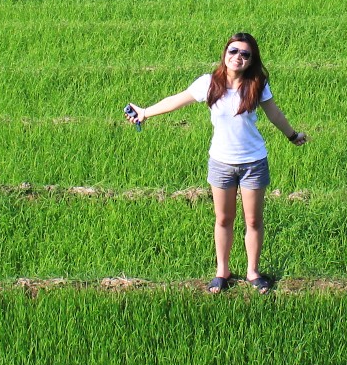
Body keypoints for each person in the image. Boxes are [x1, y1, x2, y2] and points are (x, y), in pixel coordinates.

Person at [126, 32, 308, 292]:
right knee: (224, 218)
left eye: (245, 54)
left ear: (252, 60)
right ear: (225, 53)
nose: (238, 57)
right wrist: (145, 112)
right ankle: (222, 272)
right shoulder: (209, 83)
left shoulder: (257, 84)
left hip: (253, 162)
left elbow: (274, 113)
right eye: (233, 51)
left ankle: (253, 273)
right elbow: (176, 101)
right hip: (221, 162)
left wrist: (292, 135)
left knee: (253, 221)